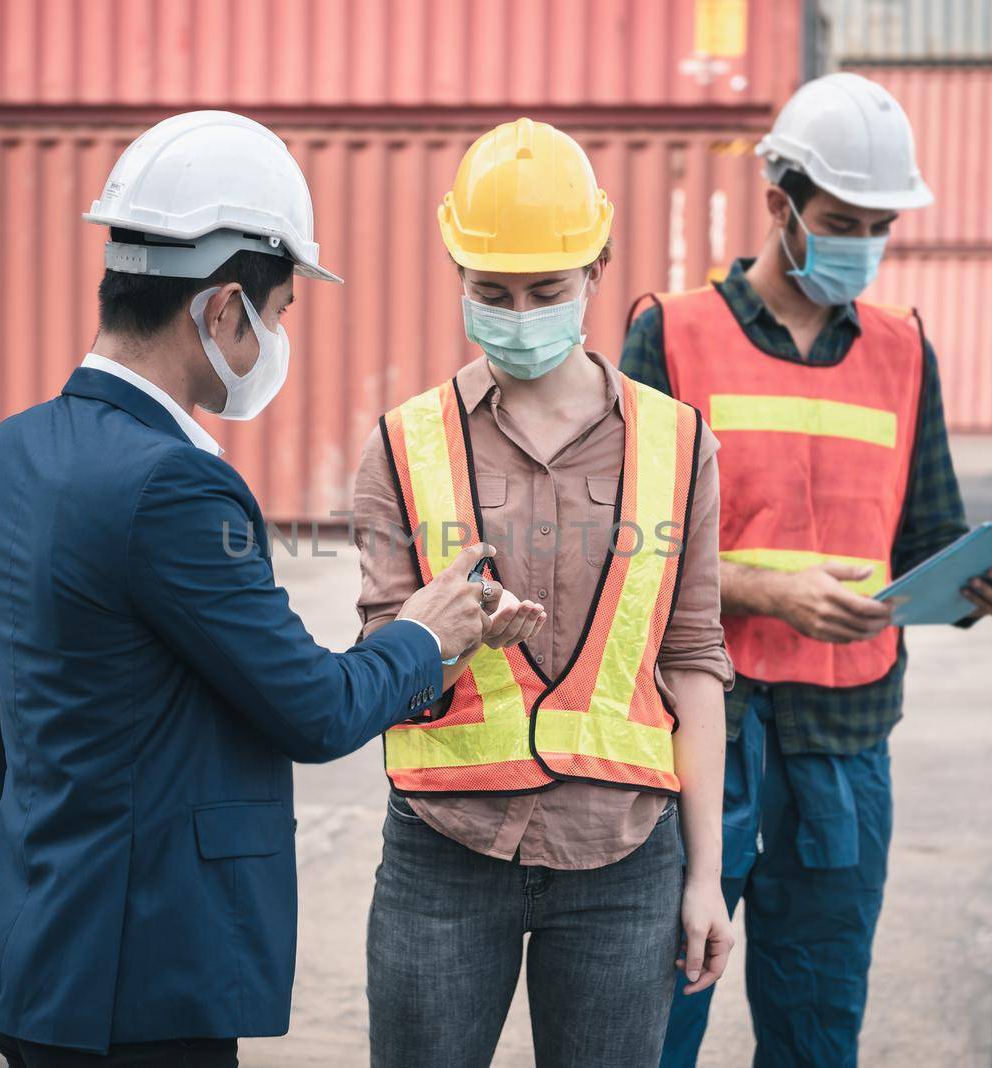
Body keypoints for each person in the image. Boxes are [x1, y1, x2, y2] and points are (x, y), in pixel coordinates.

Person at [0, 111, 508, 1068]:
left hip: (34, 948)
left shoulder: (16, 449)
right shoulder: (174, 485)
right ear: (221, 311)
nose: (279, 337)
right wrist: (428, 633)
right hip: (141, 983)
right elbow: (313, 711)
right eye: (281, 312)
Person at [622, 74, 992, 1067]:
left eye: (879, 224)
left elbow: (924, 542)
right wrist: (761, 591)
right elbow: (620, 547)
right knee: (646, 1030)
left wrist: (986, 590)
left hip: (843, 747)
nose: (861, 243)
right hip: (694, 742)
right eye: (840, 219)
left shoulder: (904, 352)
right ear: (778, 203)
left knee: (817, 1032)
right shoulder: (672, 334)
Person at [350, 117, 737, 1068]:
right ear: (458, 273)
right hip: (445, 848)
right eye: (493, 291)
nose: (519, 312)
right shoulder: (405, 444)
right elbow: (378, 663)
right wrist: (443, 642)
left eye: (545, 289)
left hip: (624, 856)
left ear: (597, 269)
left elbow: (693, 661)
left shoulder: (678, 444)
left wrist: (705, 877)